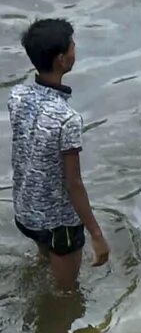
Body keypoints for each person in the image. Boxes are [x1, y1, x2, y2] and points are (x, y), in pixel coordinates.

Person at [12, 22, 107, 293]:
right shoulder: (67, 119)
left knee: (45, 260)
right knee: (67, 295)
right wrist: (97, 236)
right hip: (59, 222)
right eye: (72, 45)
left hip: (26, 211)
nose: (75, 49)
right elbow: (73, 183)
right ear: (62, 60)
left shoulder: (17, 96)